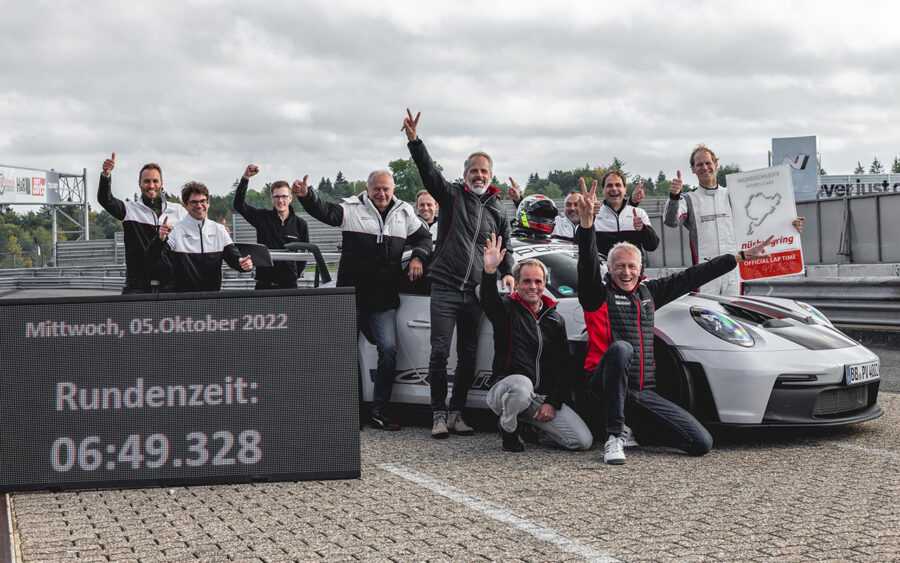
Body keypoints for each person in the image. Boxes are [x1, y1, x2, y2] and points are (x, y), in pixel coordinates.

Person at [576, 180, 774, 464]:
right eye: (619, 266)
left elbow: (694, 275)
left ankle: (635, 427)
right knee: (620, 349)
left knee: (700, 443)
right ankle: (613, 436)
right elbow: (585, 265)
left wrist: (739, 257)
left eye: (632, 266)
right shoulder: (597, 295)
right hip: (602, 386)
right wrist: (586, 225)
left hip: (640, 393)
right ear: (609, 268)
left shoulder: (649, 293)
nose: (626, 272)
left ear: (641, 269)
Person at [403, 109, 515, 439]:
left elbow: (505, 245)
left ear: (491, 176)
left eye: (483, 171)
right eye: (473, 170)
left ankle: (458, 413)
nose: (478, 175)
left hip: (478, 291)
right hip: (446, 286)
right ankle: (437, 414)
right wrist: (415, 142)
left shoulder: (498, 209)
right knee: (439, 352)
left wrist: (507, 272)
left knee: (467, 355)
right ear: (464, 173)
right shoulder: (451, 196)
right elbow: (428, 172)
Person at [292, 170, 432, 431]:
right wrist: (307, 196)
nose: (381, 194)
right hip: (352, 296)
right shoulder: (352, 209)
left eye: (386, 189)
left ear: (393, 190)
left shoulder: (404, 213)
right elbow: (326, 211)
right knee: (343, 354)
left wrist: (418, 257)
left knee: (389, 352)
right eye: (376, 189)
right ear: (367, 189)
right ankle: (347, 412)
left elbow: (425, 237)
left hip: (383, 300)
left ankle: (379, 411)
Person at [481, 234, 593, 453]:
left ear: (545, 283)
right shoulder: (506, 309)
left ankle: (529, 423)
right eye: (526, 281)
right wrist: (489, 272)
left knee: (582, 441)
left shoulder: (555, 320)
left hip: (537, 398)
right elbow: (488, 301)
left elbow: (564, 367)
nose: (533, 286)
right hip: (506, 390)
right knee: (522, 386)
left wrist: (552, 403)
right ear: (517, 284)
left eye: (538, 281)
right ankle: (509, 428)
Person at [663, 144, 804, 294]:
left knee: (734, 315)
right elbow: (670, 221)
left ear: (716, 165)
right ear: (693, 169)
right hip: (703, 275)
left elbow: (761, 220)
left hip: (735, 271)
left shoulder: (734, 195)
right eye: (699, 164)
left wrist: (790, 226)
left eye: (708, 163)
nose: (704, 167)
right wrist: (674, 196)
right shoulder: (688, 198)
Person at [97, 153, 187, 293]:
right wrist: (105, 176)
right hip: (137, 286)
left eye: (155, 181)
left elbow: (195, 230)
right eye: (147, 181)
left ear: (162, 183)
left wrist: (218, 230)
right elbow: (105, 200)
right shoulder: (129, 209)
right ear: (139, 183)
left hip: (170, 285)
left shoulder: (178, 211)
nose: (151, 185)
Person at [149, 182, 253, 292]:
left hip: (211, 301)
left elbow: (234, 258)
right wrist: (160, 239)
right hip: (183, 301)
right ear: (186, 205)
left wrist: (243, 263)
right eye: (194, 202)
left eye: (202, 201)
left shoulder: (220, 230)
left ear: (208, 203)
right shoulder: (176, 231)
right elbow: (154, 260)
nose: (199, 206)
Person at [232, 164, 309, 289]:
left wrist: (294, 274)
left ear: (290, 198)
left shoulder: (300, 224)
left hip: (289, 285)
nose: (280, 200)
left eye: (284, 196)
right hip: (264, 284)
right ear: (271, 199)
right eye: (276, 196)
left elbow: (304, 255)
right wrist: (246, 178)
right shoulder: (262, 218)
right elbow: (239, 205)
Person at [591, 171, 659, 258]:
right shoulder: (593, 215)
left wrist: (643, 229)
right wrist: (588, 218)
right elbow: (580, 244)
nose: (614, 188)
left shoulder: (639, 213)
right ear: (603, 190)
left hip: (633, 271)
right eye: (609, 185)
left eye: (618, 185)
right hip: (603, 270)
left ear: (625, 189)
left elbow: (652, 246)